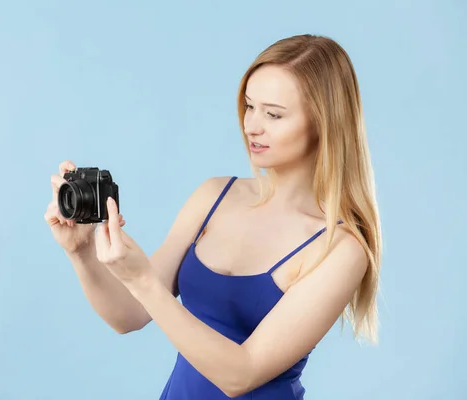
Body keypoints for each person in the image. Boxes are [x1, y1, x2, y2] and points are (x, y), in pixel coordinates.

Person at [44, 33, 382, 399]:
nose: (252, 125)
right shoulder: (214, 197)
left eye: (273, 114)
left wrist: (143, 281)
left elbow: (241, 374)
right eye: (249, 106)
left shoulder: (340, 249)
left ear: (324, 124)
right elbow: (128, 316)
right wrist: (81, 253)